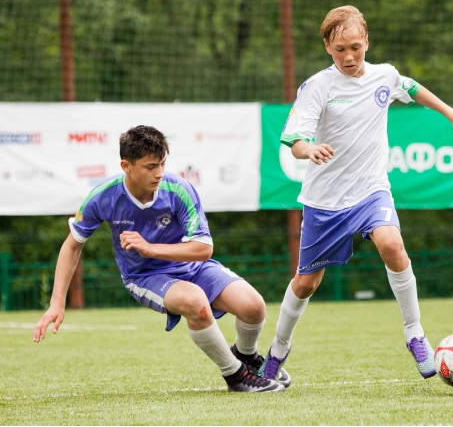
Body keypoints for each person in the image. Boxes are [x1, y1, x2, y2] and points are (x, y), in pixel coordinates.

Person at [258, 6, 453, 383]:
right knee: (306, 283)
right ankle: (278, 350)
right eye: (340, 49)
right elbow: (294, 140)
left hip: (371, 190)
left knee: (392, 244)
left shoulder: (384, 75)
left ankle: (415, 334)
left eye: (355, 47)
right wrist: (309, 149)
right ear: (327, 47)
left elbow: (411, 87)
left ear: (367, 42)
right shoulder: (317, 86)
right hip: (325, 201)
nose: (349, 56)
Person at [33, 125, 289, 393]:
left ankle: (246, 355)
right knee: (195, 302)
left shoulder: (178, 189)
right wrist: (56, 303)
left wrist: (150, 248)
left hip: (194, 267)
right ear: (126, 166)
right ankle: (236, 376)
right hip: (144, 277)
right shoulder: (103, 196)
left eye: (162, 164)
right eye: (150, 166)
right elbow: (72, 247)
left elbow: (203, 249)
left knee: (254, 307)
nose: (159, 173)